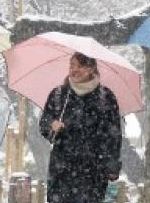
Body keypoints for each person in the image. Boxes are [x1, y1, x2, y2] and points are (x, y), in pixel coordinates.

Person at [39, 52, 122, 203]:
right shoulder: (58, 94)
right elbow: (44, 123)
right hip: (62, 169)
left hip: (94, 169)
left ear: (91, 69)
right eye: (72, 65)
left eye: (80, 66)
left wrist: (112, 165)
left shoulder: (106, 97)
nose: (74, 70)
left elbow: (114, 135)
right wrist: (52, 125)